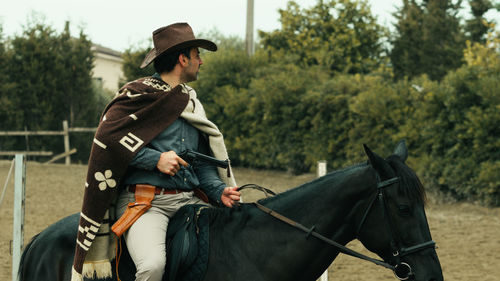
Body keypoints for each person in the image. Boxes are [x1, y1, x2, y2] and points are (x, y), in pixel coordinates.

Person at [71, 22, 240, 281]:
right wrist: (155, 159)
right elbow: (108, 141)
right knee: (152, 267)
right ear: (183, 59)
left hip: (189, 200)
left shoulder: (192, 103)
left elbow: (204, 165)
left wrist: (219, 191)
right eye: (197, 56)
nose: (201, 62)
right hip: (146, 204)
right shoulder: (135, 95)